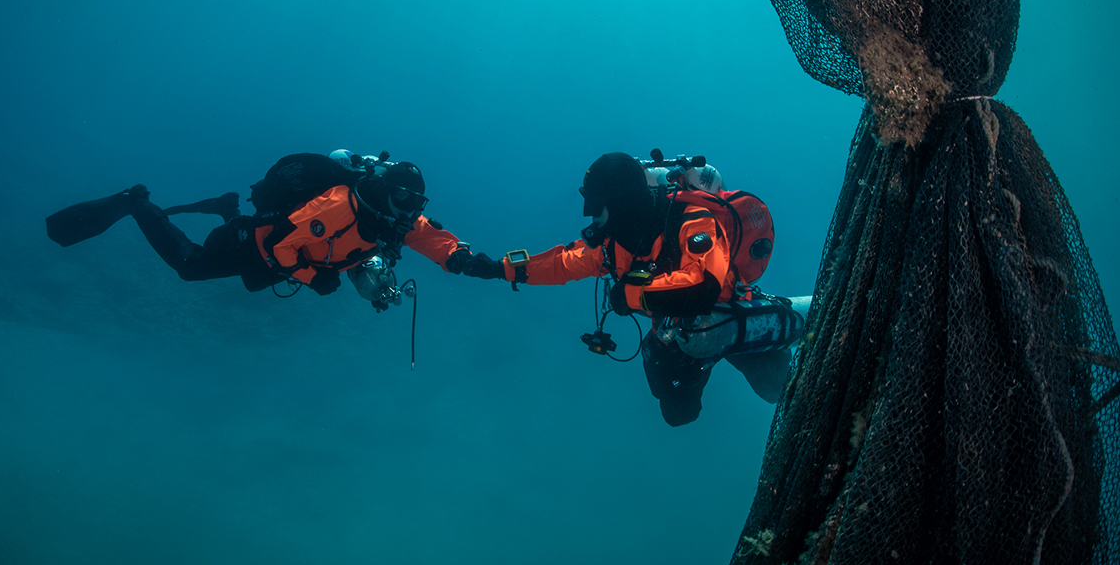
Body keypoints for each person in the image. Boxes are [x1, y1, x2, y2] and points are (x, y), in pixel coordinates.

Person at [461, 152, 798, 426]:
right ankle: (718, 354)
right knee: (677, 412)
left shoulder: (693, 219)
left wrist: (633, 295)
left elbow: (704, 286)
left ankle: (788, 317)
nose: (588, 215)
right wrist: (498, 269)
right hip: (675, 330)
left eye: (596, 206)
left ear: (620, 203)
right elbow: (562, 263)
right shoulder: (611, 244)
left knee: (778, 390)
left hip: (723, 315)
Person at [46, 151, 481, 300]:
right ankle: (136, 202)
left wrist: (475, 262)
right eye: (404, 198)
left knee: (251, 280)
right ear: (387, 192)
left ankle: (226, 206)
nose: (409, 209)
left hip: (277, 260)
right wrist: (314, 280)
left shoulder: (391, 218)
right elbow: (280, 247)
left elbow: (431, 237)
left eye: (416, 203)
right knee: (189, 265)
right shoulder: (337, 206)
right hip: (259, 243)